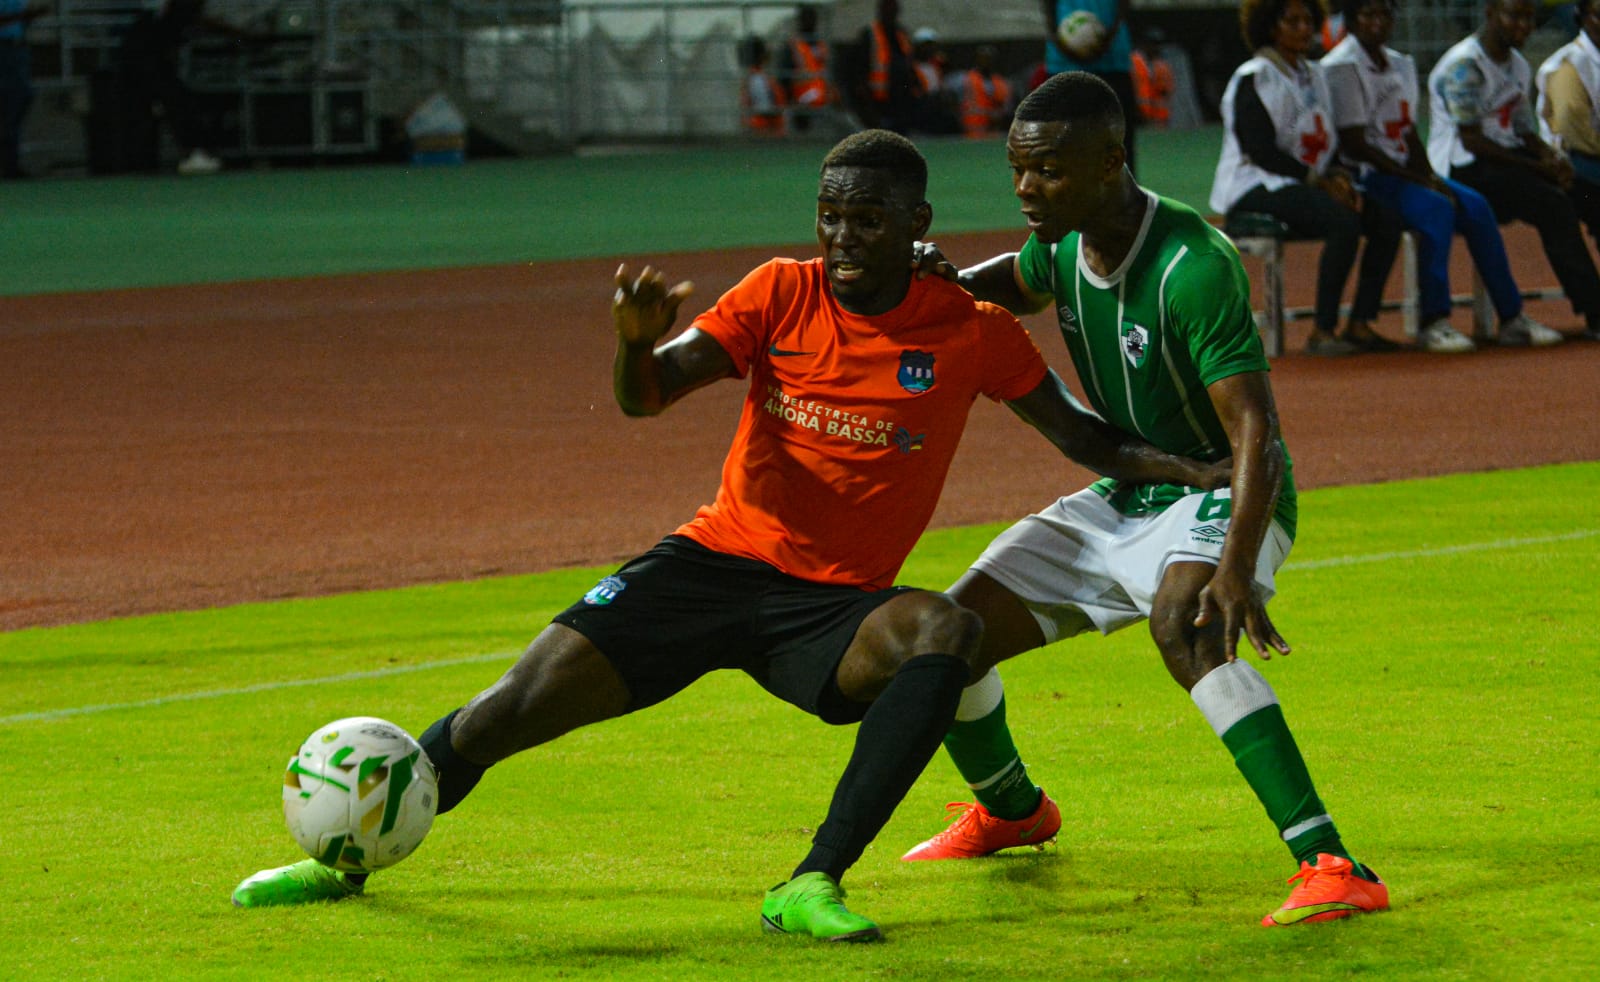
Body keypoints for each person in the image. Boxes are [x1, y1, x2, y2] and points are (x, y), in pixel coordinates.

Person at [229, 129, 1229, 941]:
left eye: (866, 219)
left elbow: (1082, 435)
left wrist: (1195, 467)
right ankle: (342, 860)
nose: (841, 236)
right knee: (509, 709)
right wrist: (630, 345)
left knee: (944, 632)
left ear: (915, 224)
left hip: (830, 607)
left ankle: (812, 880)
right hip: (709, 563)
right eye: (828, 216)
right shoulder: (776, 293)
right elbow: (650, 394)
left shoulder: (968, 328)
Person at [901, 71, 1391, 928]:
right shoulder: (1060, 241)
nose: (1026, 189)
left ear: (1110, 161)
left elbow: (1256, 438)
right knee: (948, 636)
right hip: (1129, 489)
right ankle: (1013, 811)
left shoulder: (1194, 266)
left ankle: (1333, 864)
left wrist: (1236, 564)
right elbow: (1002, 285)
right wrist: (938, 283)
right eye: (1019, 170)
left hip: (1224, 488)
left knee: (1186, 623)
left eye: (1048, 170)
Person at [1324, 0, 1560, 351]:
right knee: (1436, 209)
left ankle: (1512, 318)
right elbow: (1354, 142)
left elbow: (1406, 132)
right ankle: (1434, 321)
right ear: (1352, 21)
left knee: (1477, 207)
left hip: (1401, 172)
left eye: (1385, 14)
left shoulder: (1400, 64)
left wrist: (1428, 175)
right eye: (1367, 14)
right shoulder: (1340, 67)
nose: (1378, 22)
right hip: (1366, 175)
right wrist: (1417, 180)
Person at [1210, 0, 1405, 356]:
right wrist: (1319, 181)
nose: (1303, 29)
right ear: (1270, 27)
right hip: (1254, 184)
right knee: (1342, 222)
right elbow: (1260, 149)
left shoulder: (1315, 74)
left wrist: (1337, 176)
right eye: (1292, 21)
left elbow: (1324, 140)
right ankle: (1323, 330)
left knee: (1386, 218)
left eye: (1308, 21)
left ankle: (1360, 322)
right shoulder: (1255, 76)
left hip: (1304, 180)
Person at [1428, 0, 1600, 338]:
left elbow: (1522, 131)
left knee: (1586, 192)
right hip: (1461, 168)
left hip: (1504, 164)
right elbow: (1473, 140)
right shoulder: (1465, 66)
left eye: (1529, 18)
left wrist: (1550, 158)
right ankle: (1595, 310)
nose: (1524, 26)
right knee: (1551, 202)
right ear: (1491, 14)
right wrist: (1537, 168)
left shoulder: (1518, 65)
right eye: (1514, 17)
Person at [115, 0, 255, 175]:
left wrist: (241, 36)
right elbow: (207, 24)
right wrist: (244, 36)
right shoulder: (180, 10)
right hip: (142, 61)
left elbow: (204, 26)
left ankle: (188, 154)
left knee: (171, 104)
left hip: (149, 61)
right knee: (175, 103)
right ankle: (193, 153)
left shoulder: (175, 15)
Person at [1536, 0, 1600, 339]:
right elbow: (1577, 135)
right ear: (1583, 19)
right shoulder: (1568, 66)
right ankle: (1595, 309)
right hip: (1574, 168)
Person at [1042, 1, 1139, 174]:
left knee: (1119, 134)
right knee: (1063, 135)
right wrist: (1058, 38)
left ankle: (1121, 191)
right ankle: (1067, 191)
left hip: (1112, 57)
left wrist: (1109, 37)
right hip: (1064, 59)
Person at [846, 0, 923, 133]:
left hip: (901, 100)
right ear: (880, 10)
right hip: (878, 100)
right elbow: (856, 69)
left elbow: (910, 64)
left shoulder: (901, 34)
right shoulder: (869, 35)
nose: (891, 13)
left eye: (894, 9)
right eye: (887, 8)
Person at [0, 1, 43, 179]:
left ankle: (11, 163)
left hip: (17, 49)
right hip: (3, 51)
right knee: (9, 106)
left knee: (18, 103)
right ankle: (9, 164)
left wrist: (29, 18)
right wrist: (22, 17)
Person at [778, 5, 837, 134]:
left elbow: (830, 73)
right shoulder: (793, 46)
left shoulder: (822, 45)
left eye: (812, 18)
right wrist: (791, 103)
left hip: (825, 105)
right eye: (806, 18)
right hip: (803, 109)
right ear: (800, 20)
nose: (810, 21)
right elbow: (783, 77)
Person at [949, 44, 1014, 139]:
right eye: (983, 58)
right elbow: (951, 100)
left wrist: (997, 116)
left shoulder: (1001, 83)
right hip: (970, 132)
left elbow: (1006, 108)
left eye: (989, 58)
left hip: (993, 134)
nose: (986, 62)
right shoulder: (965, 79)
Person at [740, 35, 787, 136]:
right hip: (765, 132)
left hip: (760, 130)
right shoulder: (758, 79)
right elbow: (766, 109)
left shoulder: (753, 77)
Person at [1131, 30, 1175, 128]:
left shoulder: (1161, 65)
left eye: (1158, 44)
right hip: (1139, 115)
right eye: (1153, 44)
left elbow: (1166, 90)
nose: (1156, 47)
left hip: (1159, 118)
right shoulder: (1135, 61)